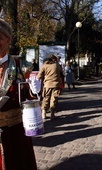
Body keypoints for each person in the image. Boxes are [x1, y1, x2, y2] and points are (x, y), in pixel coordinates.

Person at [0, 19, 38, 169]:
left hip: (15, 131)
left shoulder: (21, 66)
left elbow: (30, 97)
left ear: (8, 40)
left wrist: (34, 90)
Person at [37, 54, 61, 120]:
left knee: (46, 99)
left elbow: (38, 76)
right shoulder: (56, 65)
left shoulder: (44, 66)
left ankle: (44, 113)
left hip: (47, 85)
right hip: (56, 85)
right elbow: (61, 72)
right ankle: (52, 115)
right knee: (54, 99)